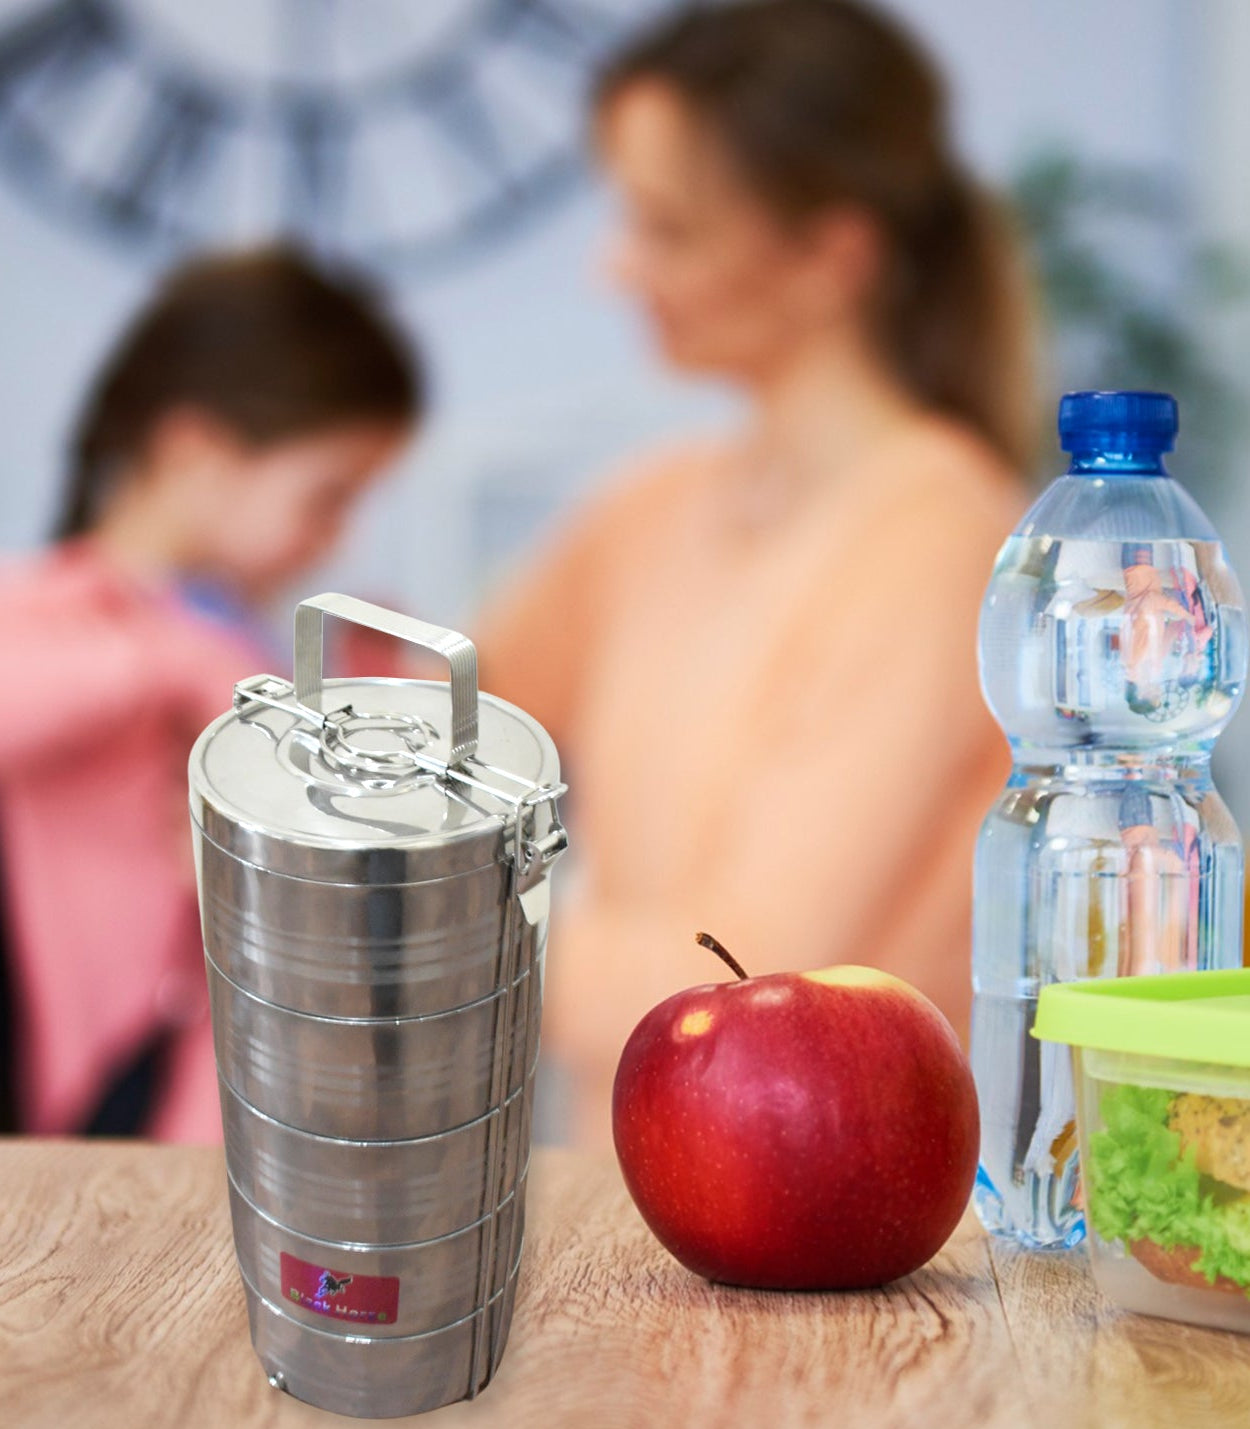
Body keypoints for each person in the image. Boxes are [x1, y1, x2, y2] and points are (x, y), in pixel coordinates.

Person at [473, 0, 1035, 1147]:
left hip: (834, 1232)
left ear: (830, 257)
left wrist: (409, 930)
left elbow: (742, 985)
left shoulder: (938, 536)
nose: (614, 267)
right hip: (642, 1202)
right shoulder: (650, 506)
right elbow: (434, 728)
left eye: (667, 228)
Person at [0, 246, 420, 1141]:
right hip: (105, 1107)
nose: (335, 537)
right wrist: (174, 663)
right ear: (193, 452)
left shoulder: (256, 637)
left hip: (239, 1096)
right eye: (327, 495)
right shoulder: (54, 613)